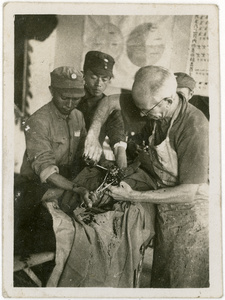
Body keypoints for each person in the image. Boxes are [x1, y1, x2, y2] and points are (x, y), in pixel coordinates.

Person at [83, 65, 209, 288]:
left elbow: (189, 192)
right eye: (139, 109)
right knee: (160, 279)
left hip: (191, 216)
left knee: (179, 283)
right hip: (165, 209)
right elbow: (110, 101)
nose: (141, 115)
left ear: (168, 101)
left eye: (146, 110)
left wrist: (134, 196)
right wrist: (93, 133)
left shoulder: (194, 127)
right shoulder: (154, 104)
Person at [15, 67, 92, 257]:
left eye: (76, 98)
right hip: (35, 187)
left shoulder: (78, 116)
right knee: (51, 238)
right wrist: (76, 188)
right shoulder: (38, 121)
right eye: (65, 97)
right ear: (52, 91)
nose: (70, 103)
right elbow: (47, 171)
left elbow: (82, 153)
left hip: (67, 180)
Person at [77, 50, 127, 169]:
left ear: (110, 81)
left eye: (104, 79)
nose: (98, 83)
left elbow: (118, 138)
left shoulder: (110, 108)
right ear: (83, 75)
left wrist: (121, 159)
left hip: (88, 162)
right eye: (93, 77)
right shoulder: (72, 100)